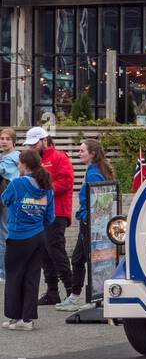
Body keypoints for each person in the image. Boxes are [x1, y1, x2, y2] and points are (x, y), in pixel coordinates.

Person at [58, 138, 115, 312]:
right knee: (81, 259)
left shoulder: (93, 173)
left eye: (82, 151)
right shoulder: (95, 170)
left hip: (90, 224)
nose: (78, 153)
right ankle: (79, 297)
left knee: (86, 260)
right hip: (93, 223)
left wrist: (84, 216)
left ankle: (89, 298)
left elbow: (97, 199)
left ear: (92, 154)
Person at [3, 151, 55, 330]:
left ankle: (14, 317)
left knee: (14, 276)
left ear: (24, 165)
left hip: (18, 236)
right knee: (32, 277)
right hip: (38, 237)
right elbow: (50, 217)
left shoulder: (17, 183)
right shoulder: (47, 186)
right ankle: (27, 320)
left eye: (19, 163)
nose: (18, 166)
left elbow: (4, 199)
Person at [24, 127, 75, 305]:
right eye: (29, 144)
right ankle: (52, 292)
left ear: (45, 140)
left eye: (34, 143)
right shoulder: (34, 161)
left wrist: (43, 189)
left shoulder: (59, 157)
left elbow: (67, 182)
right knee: (44, 251)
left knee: (55, 249)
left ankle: (71, 291)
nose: (31, 147)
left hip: (58, 211)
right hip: (39, 212)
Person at [0, 128, 20, 283]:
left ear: (14, 141)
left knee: (4, 234)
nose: (4, 141)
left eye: (7, 138)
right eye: (2, 138)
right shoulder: (4, 156)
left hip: (8, 200)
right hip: (5, 198)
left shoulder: (13, 157)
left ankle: (4, 272)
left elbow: (4, 171)